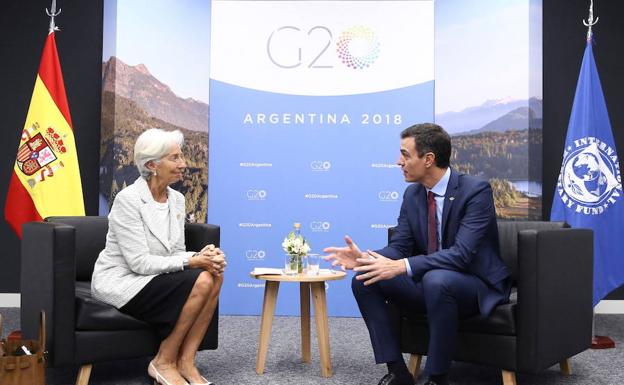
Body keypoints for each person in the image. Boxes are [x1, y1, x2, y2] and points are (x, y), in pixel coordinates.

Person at [324, 123, 511, 385]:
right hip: (432, 282)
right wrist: (366, 260)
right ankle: (398, 372)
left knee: (437, 280)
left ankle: (436, 377)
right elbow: (400, 246)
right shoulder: (413, 194)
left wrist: (403, 266)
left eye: (405, 154)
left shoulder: (475, 191)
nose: (398, 162)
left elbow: (461, 256)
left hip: (474, 284)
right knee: (364, 279)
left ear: (428, 159)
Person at [92, 128, 225, 385]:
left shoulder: (176, 199)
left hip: (154, 275)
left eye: (181, 156)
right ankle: (164, 360)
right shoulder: (127, 200)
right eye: (174, 158)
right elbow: (139, 263)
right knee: (204, 279)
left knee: (214, 275)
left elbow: (175, 252)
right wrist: (193, 261)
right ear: (152, 164)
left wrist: (202, 255)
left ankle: (186, 361)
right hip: (125, 280)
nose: (183, 164)